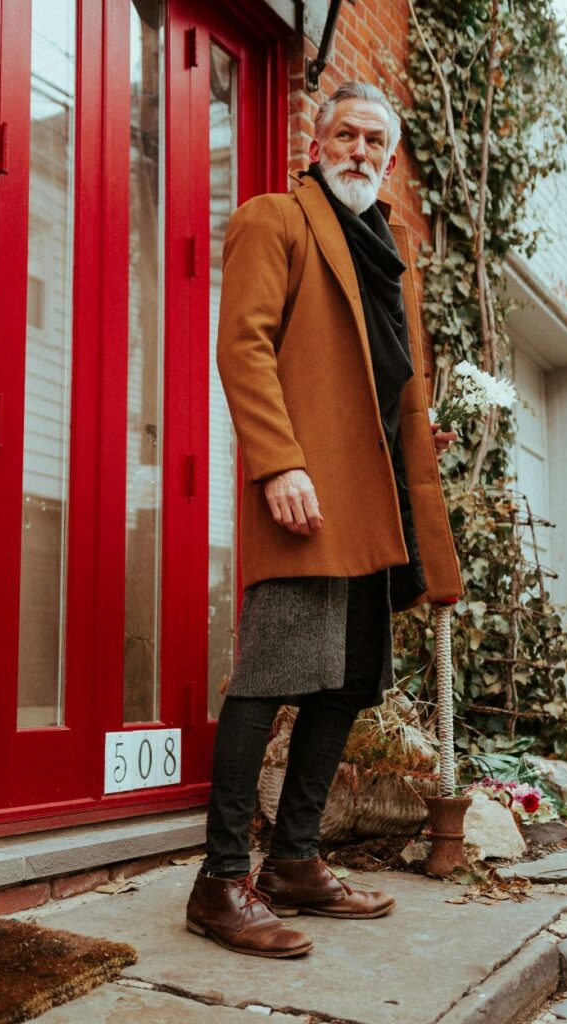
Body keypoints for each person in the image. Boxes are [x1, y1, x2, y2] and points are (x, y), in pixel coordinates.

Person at [185, 82, 463, 958]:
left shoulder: (388, 248)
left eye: (374, 140)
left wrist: (416, 443)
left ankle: (294, 863)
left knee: (346, 683)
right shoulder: (275, 218)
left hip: (375, 494)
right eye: (345, 134)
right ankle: (219, 880)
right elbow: (244, 346)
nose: (359, 150)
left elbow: (385, 375)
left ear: (389, 157)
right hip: (305, 487)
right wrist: (278, 461)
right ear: (316, 143)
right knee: (271, 674)